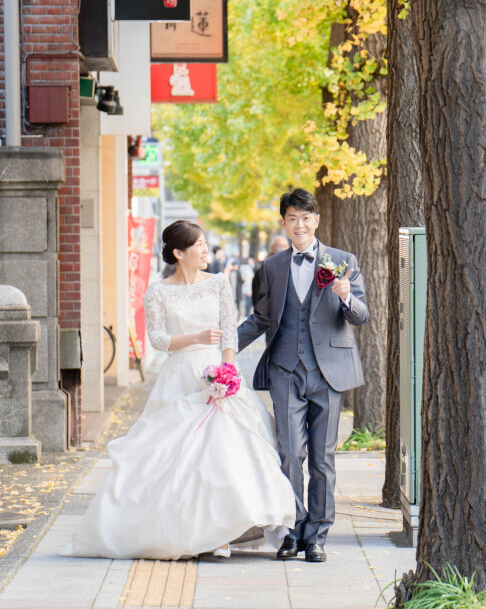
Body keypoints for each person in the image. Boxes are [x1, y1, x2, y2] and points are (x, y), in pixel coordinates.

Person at [64, 220, 295, 560]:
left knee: (225, 453)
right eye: (198, 245)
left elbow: (229, 334)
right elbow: (158, 340)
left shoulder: (218, 283)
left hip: (218, 372)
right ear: (178, 253)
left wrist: (228, 371)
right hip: (180, 376)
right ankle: (190, 532)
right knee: (177, 457)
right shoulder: (158, 291)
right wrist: (196, 338)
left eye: (205, 243)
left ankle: (222, 531)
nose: (205, 250)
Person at [238, 188, 369, 563]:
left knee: (323, 458)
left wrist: (345, 295)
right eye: (292, 218)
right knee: (290, 453)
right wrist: (224, 347)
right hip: (284, 369)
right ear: (284, 222)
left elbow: (361, 315)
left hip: (329, 372)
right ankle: (292, 531)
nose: (299, 224)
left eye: (306, 218)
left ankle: (317, 537)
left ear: (316, 221)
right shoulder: (272, 267)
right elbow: (261, 318)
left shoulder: (342, 261)